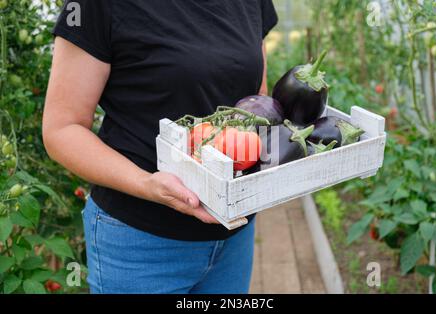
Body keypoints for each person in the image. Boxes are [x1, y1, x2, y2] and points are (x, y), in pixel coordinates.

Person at [42, 0, 278, 294]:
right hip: (140, 244)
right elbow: (62, 129)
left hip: (233, 236)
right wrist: (147, 184)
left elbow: (256, 98)